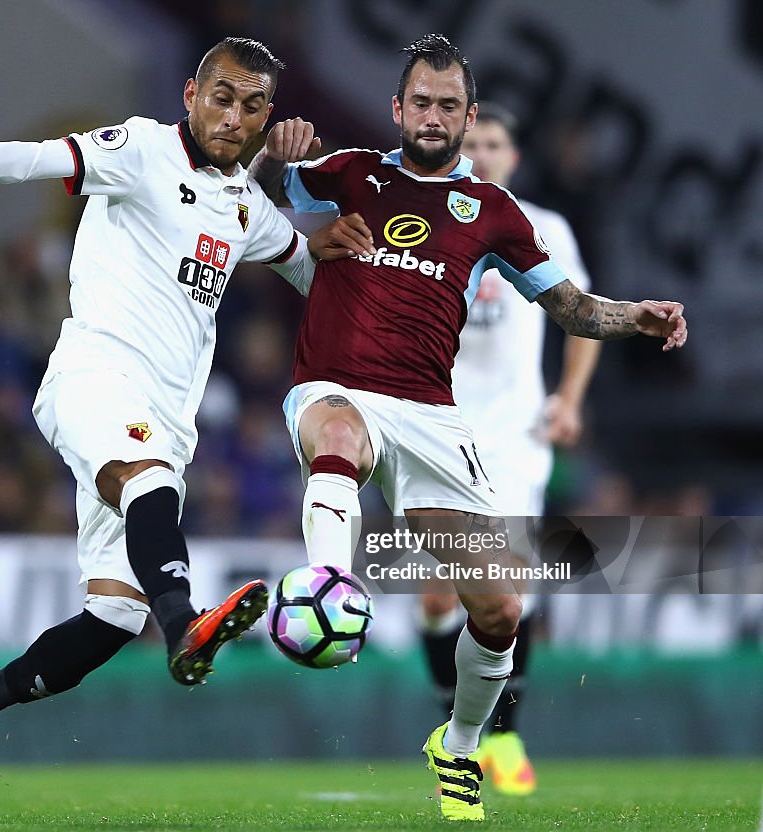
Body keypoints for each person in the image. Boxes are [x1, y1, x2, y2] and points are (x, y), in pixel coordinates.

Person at [0, 37, 329, 808]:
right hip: (94, 378)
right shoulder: (142, 150)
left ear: (267, 118)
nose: (233, 117)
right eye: (221, 96)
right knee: (147, 485)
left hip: (166, 417)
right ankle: (187, 625)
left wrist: (317, 194)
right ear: (191, 92)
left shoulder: (247, 207)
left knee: (114, 616)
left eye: (252, 106)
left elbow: (317, 272)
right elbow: (30, 159)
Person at [252, 34, 687, 822]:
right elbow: (257, 192)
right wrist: (268, 153)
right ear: (397, 108)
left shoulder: (493, 212)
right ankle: (327, 580)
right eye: (421, 101)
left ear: (468, 114)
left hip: (432, 417)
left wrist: (638, 318)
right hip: (336, 386)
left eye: (448, 104)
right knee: (339, 435)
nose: (433, 115)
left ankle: (458, 742)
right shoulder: (352, 173)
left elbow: (573, 308)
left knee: (500, 610)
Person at [417, 102, 602, 797]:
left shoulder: (543, 229)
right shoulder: (424, 220)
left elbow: (581, 315)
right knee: (437, 597)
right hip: (436, 431)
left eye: (494, 143)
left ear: (513, 157)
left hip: (516, 436)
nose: (483, 153)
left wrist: (570, 401)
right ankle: (454, 731)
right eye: (471, 143)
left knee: (508, 594)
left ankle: (502, 737)